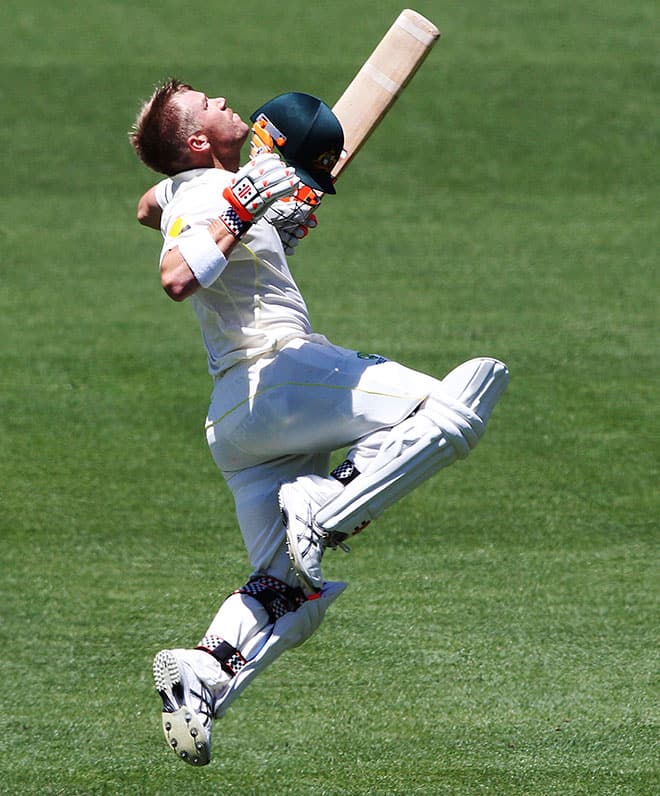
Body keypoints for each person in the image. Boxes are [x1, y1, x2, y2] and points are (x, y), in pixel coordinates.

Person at [130, 78, 509, 767]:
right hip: (276, 374)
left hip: (239, 425)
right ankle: (325, 500)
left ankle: (205, 671)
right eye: (209, 104)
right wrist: (244, 205)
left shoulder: (193, 191)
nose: (223, 100)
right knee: (456, 404)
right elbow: (178, 276)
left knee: (287, 592)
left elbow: (148, 202)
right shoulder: (220, 194)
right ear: (195, 141)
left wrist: (258, 218)